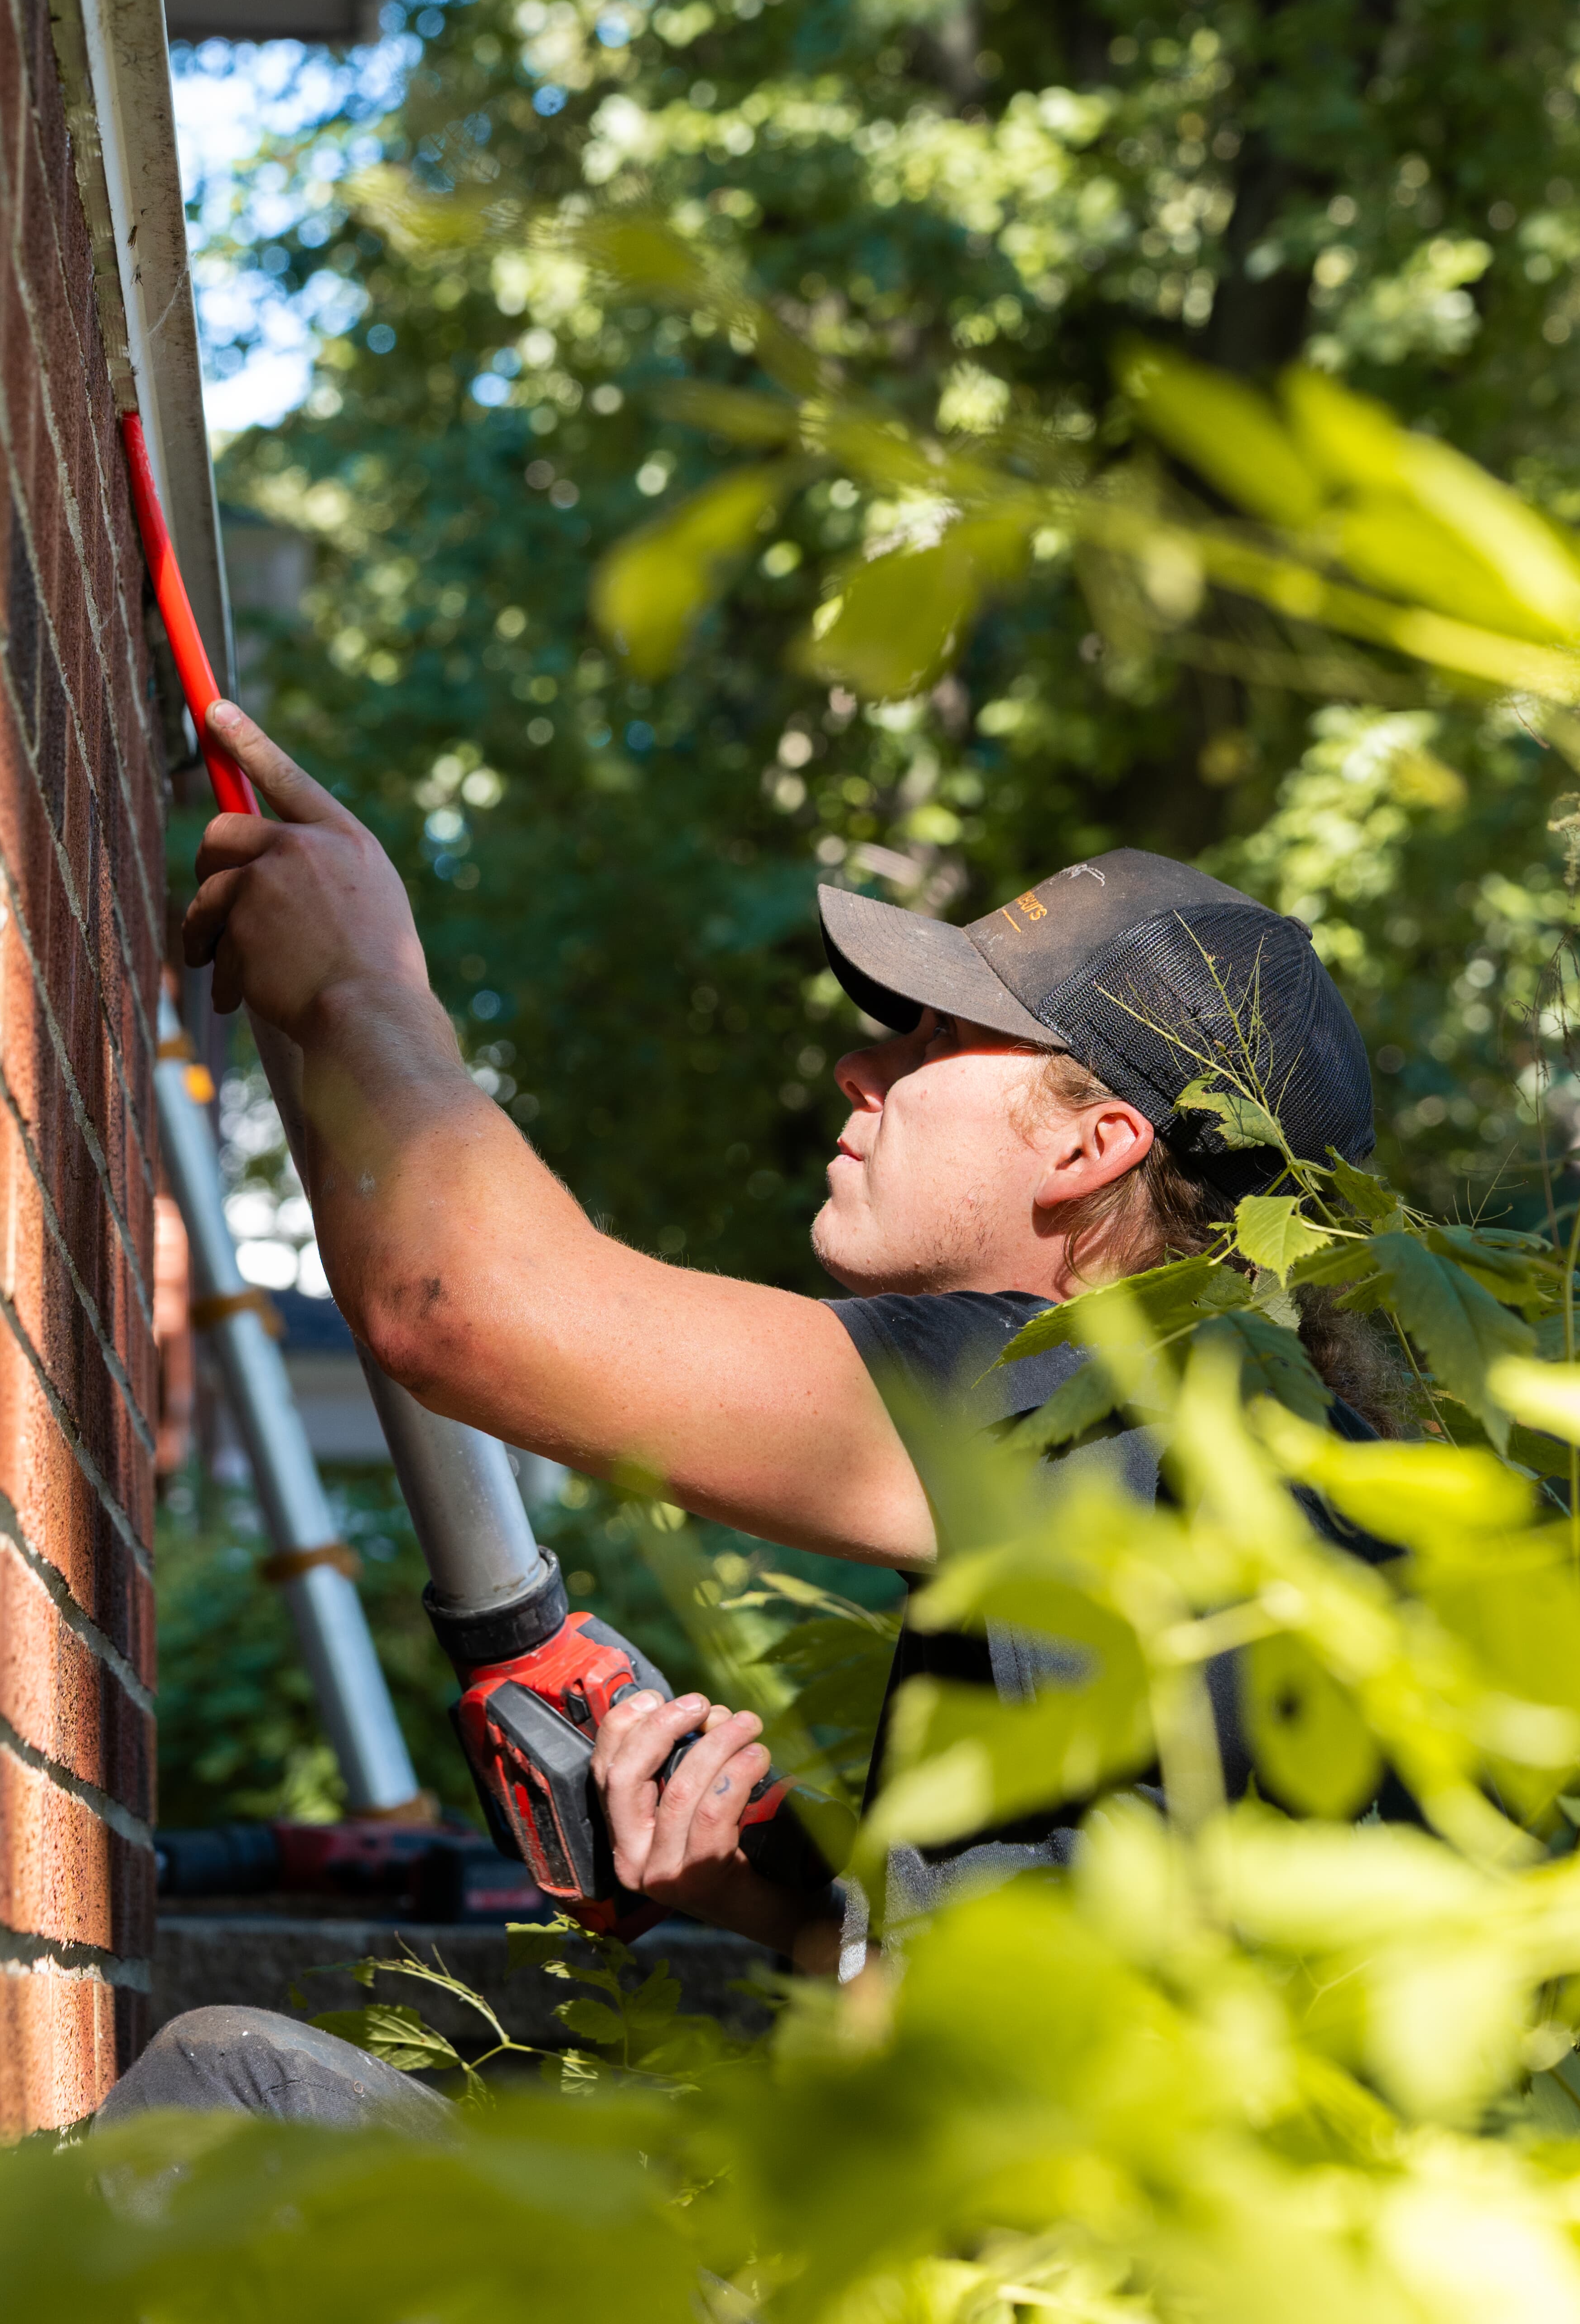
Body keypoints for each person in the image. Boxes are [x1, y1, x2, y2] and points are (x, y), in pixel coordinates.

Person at [98, 700, 1392, 2128]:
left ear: (1097, 1146)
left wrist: (364, 987)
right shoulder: (1277, 1468)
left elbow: (455, 1305)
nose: (862, 1070)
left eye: (933, 1041)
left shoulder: (1093, 1396)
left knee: (231, 2104)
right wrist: (772, 1896)